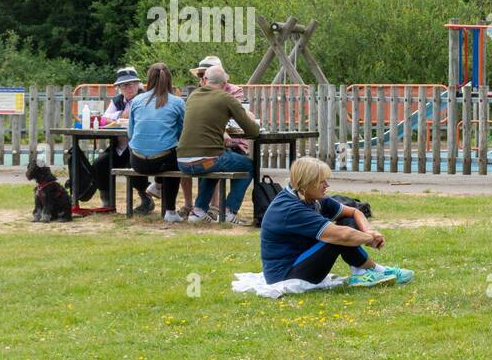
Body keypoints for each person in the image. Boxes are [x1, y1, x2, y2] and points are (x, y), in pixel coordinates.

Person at [260, 156, 414, 287]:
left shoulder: (307, 196)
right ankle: (376, 270)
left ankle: (360, 272)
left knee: (345, 221)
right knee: (337, 237)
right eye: (322, 181)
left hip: (301, 260)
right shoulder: (291, 209)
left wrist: (368, 231)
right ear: (306, 183)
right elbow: (343, 236)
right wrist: (370, 239)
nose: (327, 185)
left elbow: (355, 211)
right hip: (285, 276)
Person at [176, 64, 261, 225]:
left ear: (205, 80)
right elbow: (252, 131)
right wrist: (250, 118)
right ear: (225, 84)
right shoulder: (226, 98)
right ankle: (229, 211)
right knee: (249, 165)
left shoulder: (193, 96)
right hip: (206, 161)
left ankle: (198, 210)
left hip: (183, 162)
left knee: (216, 162)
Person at [126, 63, 186, 221]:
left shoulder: (136, 101)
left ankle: (157, 186)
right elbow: (182, 133)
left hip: (137, 161)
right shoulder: (177, 102)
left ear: (148, 79)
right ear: (169, 80)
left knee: (165, 153)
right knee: (175, 157)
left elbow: (130, 133)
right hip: (163, 161)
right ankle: (170, 211)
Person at [90, 67, 145, 207]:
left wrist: (116, 118)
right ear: (119, 87)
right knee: (99, 163)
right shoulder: (117, 100)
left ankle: (145, 199)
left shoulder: (145, 99)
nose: (129, 87)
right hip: (118, 147)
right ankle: (107, 201)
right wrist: (121, 116)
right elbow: (103, 120)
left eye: (132, 83)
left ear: (138, 84)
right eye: (125, 85)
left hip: (138, 147)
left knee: (133, 166)